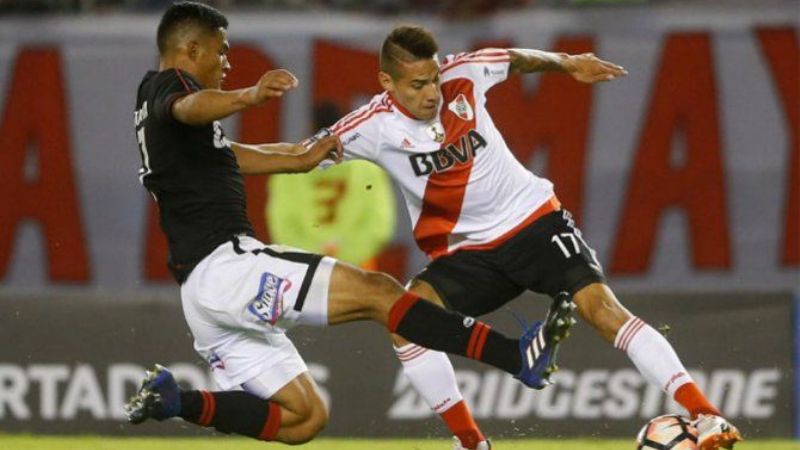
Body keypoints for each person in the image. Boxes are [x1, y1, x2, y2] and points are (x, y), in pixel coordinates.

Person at [125, 3, 574, 447]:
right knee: (380, 293)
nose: (227, 62)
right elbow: (188, 107)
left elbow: (230, 155)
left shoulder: (157, 111)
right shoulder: (173, 89)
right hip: (229, 267)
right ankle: (514, 356)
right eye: (221, 50)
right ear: (191, 49)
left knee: (303, 419)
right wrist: (249, 96)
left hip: (200, 296)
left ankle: (174, 400)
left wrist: (301, 158)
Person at [310, 25, 742, 450]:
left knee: (602, 308)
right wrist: (261, 156)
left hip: (533, 220)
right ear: (387, 82)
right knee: (406, 319)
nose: (432, 93)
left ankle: (706, 415)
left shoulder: (465, 73)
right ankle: (471, 442)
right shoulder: (371, 126)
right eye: (417, 85)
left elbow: (516, 60)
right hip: (468, 252)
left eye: (434, 79)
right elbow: (302, 154)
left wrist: (567, 63)